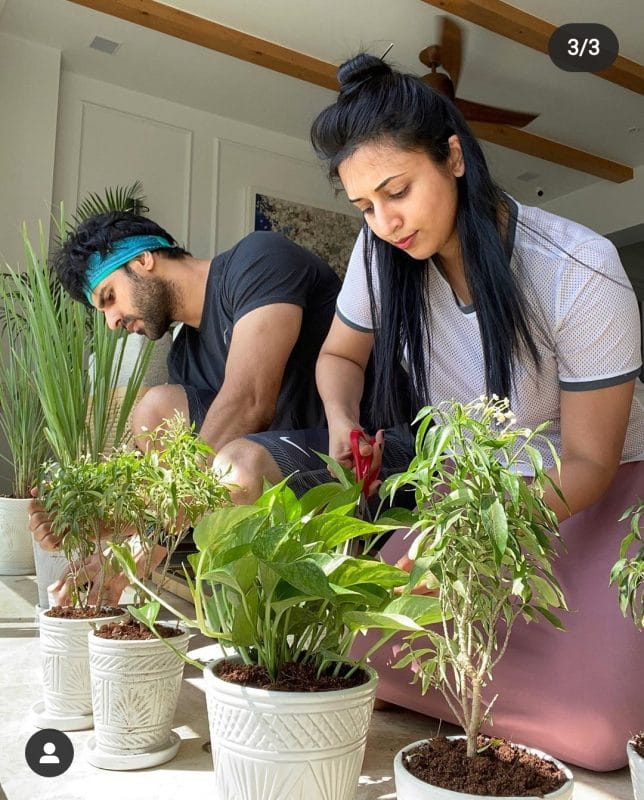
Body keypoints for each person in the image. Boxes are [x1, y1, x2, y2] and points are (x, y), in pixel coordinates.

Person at [252, 53, 644, 771]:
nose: (385, 221)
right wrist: (343, 422)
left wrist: (470, 530)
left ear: (454, 157)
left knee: (596, 734)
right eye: (364, 206)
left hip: (592, 491)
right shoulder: (381, 256)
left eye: (397, 191)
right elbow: (339, 358)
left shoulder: (577, 270)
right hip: (469, 488)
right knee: (362, 665)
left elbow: (588, 461)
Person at [29, 211, 342, 596]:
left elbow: (249, 401)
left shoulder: (258, 259)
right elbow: (191, 459)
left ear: (144, 259)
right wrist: (96, 522)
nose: (111, 322)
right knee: (156, 408)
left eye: (109, 297)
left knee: (237, 464)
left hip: (348, 449)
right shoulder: (184, 357)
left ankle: (172, 556)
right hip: (269, 465)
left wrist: (141, 540)